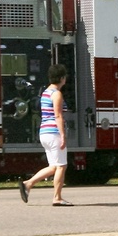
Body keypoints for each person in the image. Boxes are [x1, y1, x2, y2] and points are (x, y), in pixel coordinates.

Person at [19, 64, 73, 206]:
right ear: (62, 78)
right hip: (54, 132)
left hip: (44, 132)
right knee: (61, 166)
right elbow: (58, 116)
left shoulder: (45, 93)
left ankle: (28, 184)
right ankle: (57, 197)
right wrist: (63, 135)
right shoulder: (57, 94)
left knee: (54, 166)